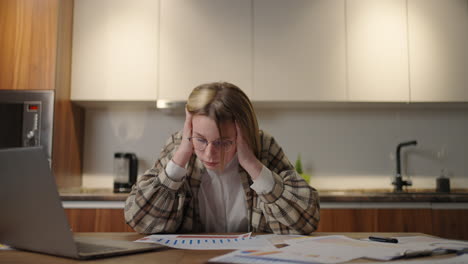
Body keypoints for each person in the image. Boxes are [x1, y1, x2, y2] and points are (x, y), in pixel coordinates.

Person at [124, 82, 320, 234]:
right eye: (201, 140)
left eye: (223, 142)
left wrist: (252, 164)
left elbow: (306, 221)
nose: (209, 154)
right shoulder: (179, 146)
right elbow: (139, 221)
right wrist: (181, 156)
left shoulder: (263, 145)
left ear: (244, 132)